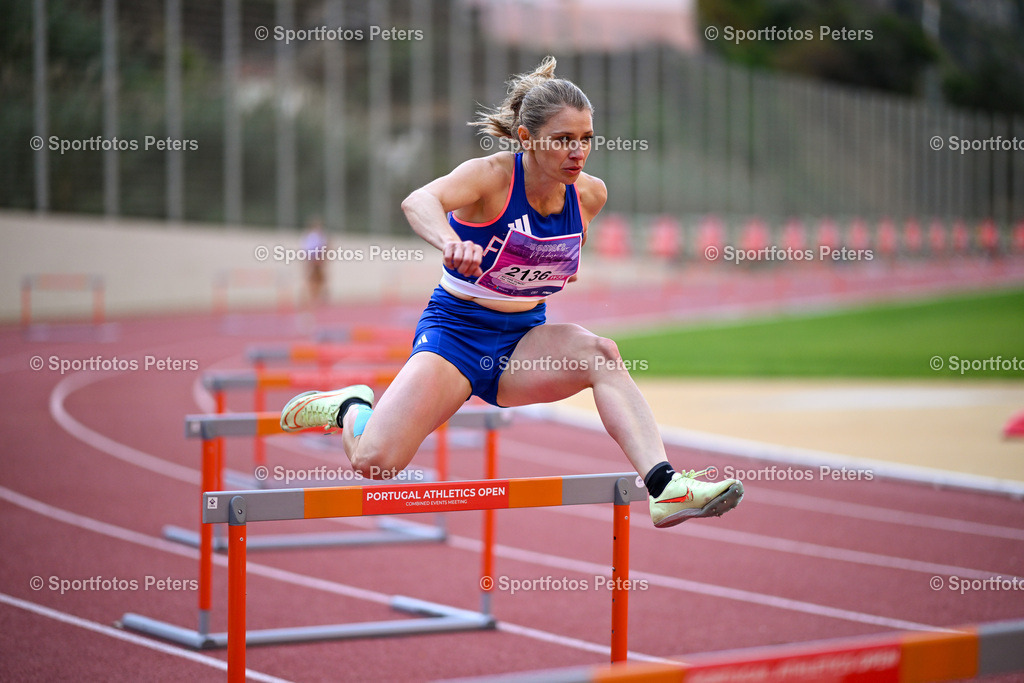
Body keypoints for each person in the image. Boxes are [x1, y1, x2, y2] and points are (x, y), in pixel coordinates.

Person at [280, 57, 743, 527]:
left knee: (601, 354)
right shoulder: (492, 177)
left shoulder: (590, 196)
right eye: (563, 140)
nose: (577, 152)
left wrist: (557, 268)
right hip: (456, 334)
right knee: (375, 464)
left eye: (586, 140)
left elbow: (553, 257)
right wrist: (449, 241)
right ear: (527, 139)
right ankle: (352, 406)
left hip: (523, 339)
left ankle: (665, 488)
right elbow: (418, 200)